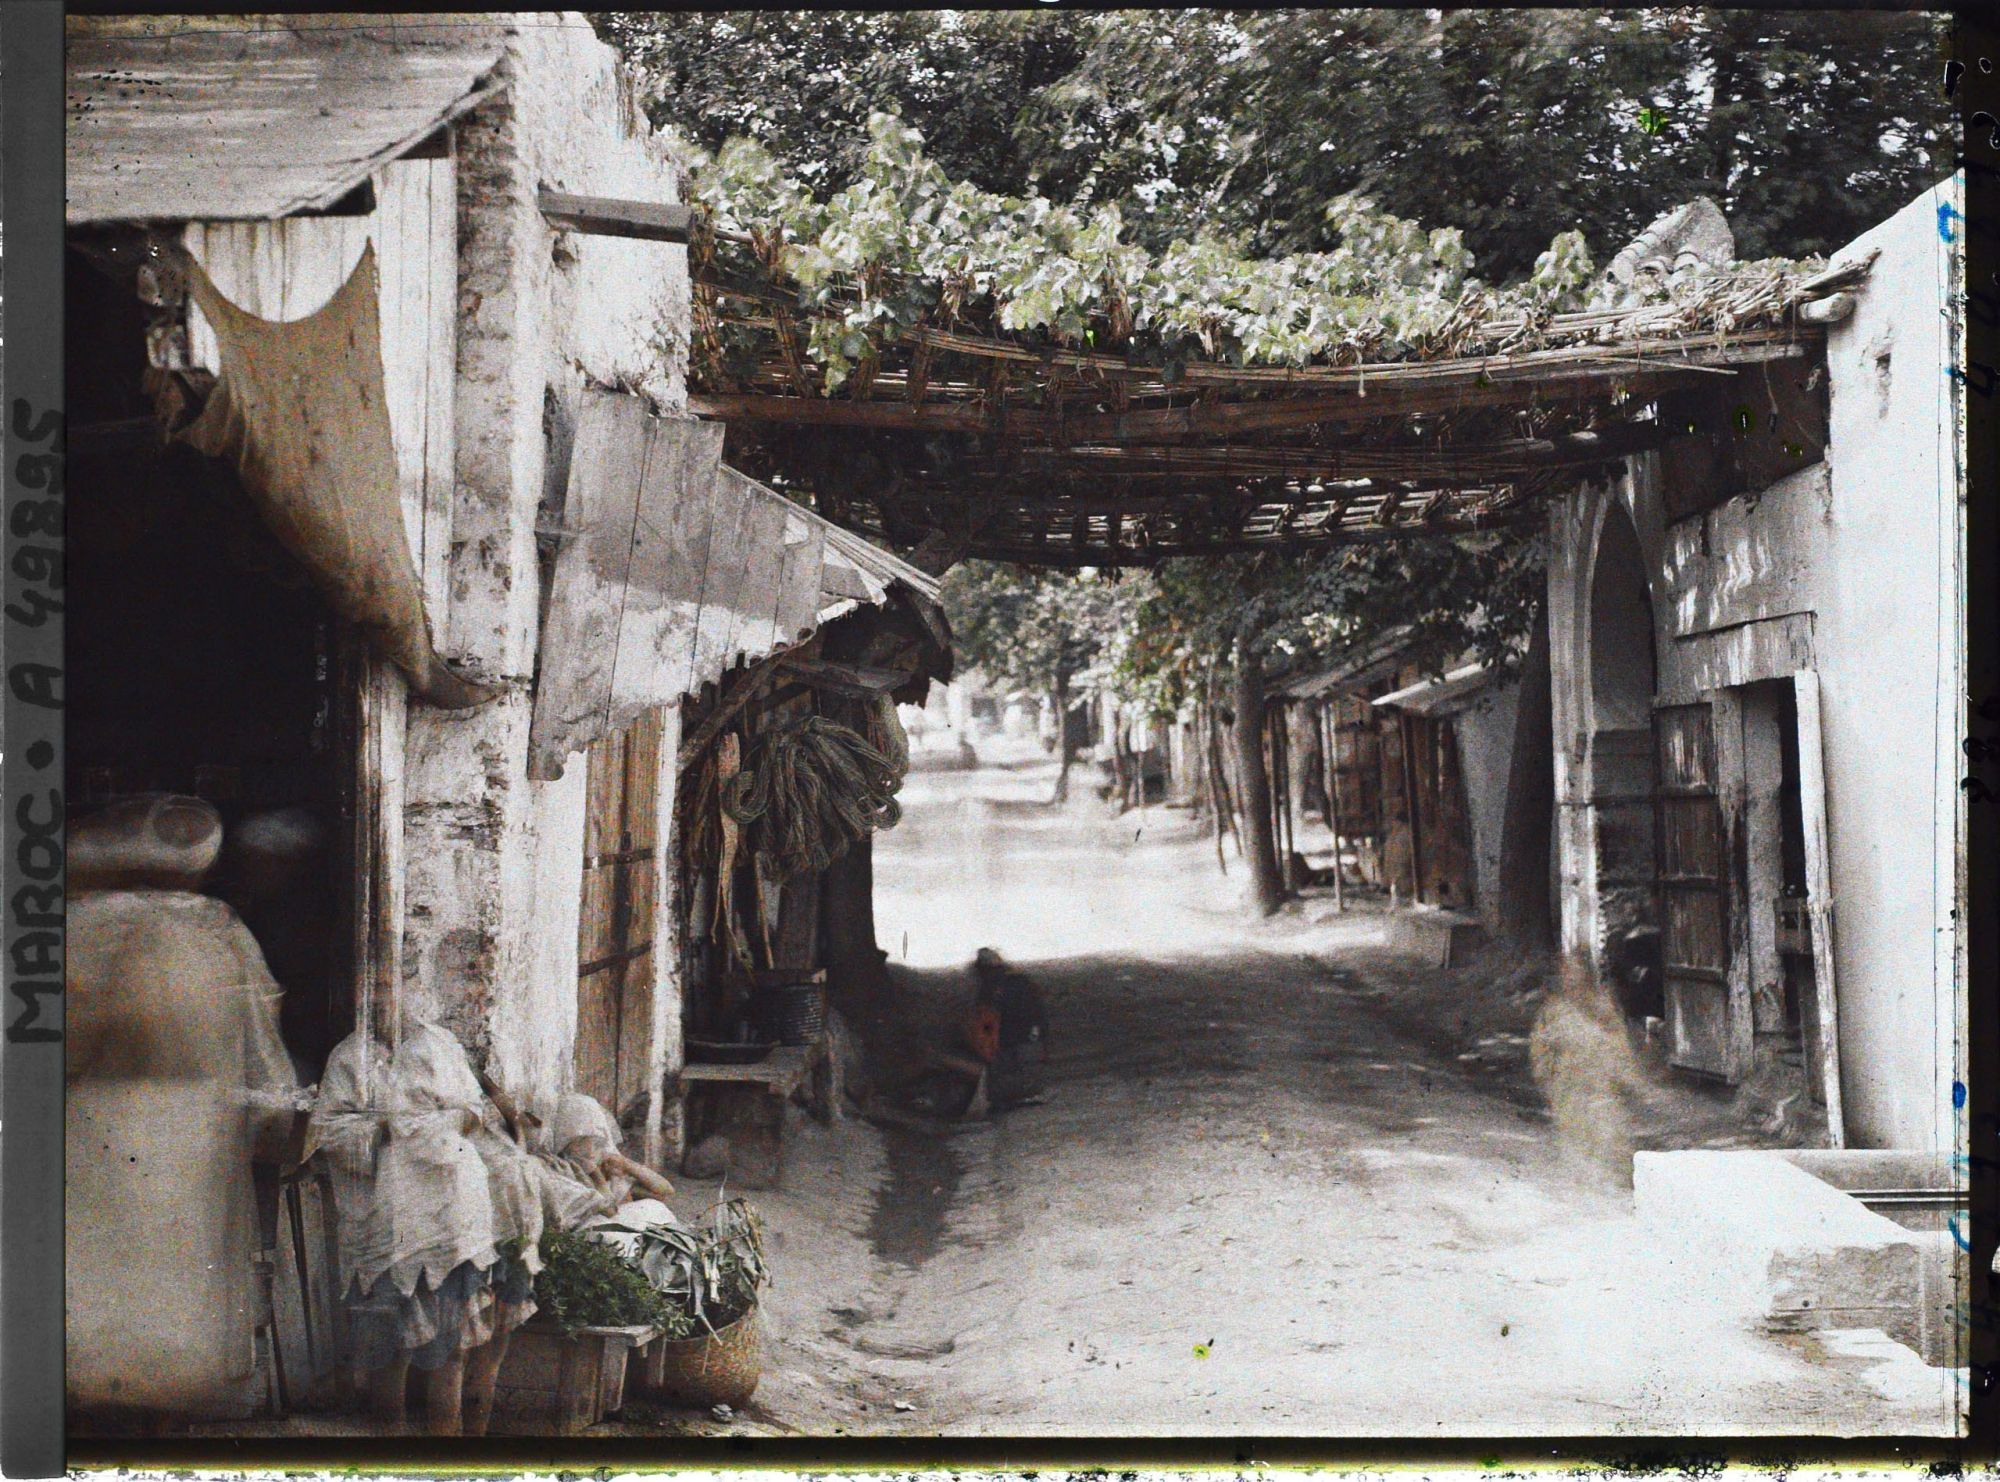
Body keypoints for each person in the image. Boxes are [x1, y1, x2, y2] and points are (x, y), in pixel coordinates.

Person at [972, 947, 1049, 1112]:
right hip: (1016, 1033)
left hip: (1013, 1033)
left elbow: (986, 1014)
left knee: (1012, 1065)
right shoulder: (1015, 981)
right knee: (1015, 1065)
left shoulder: (996, 986)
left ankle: (1011, 1096)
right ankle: (1017, 1095)